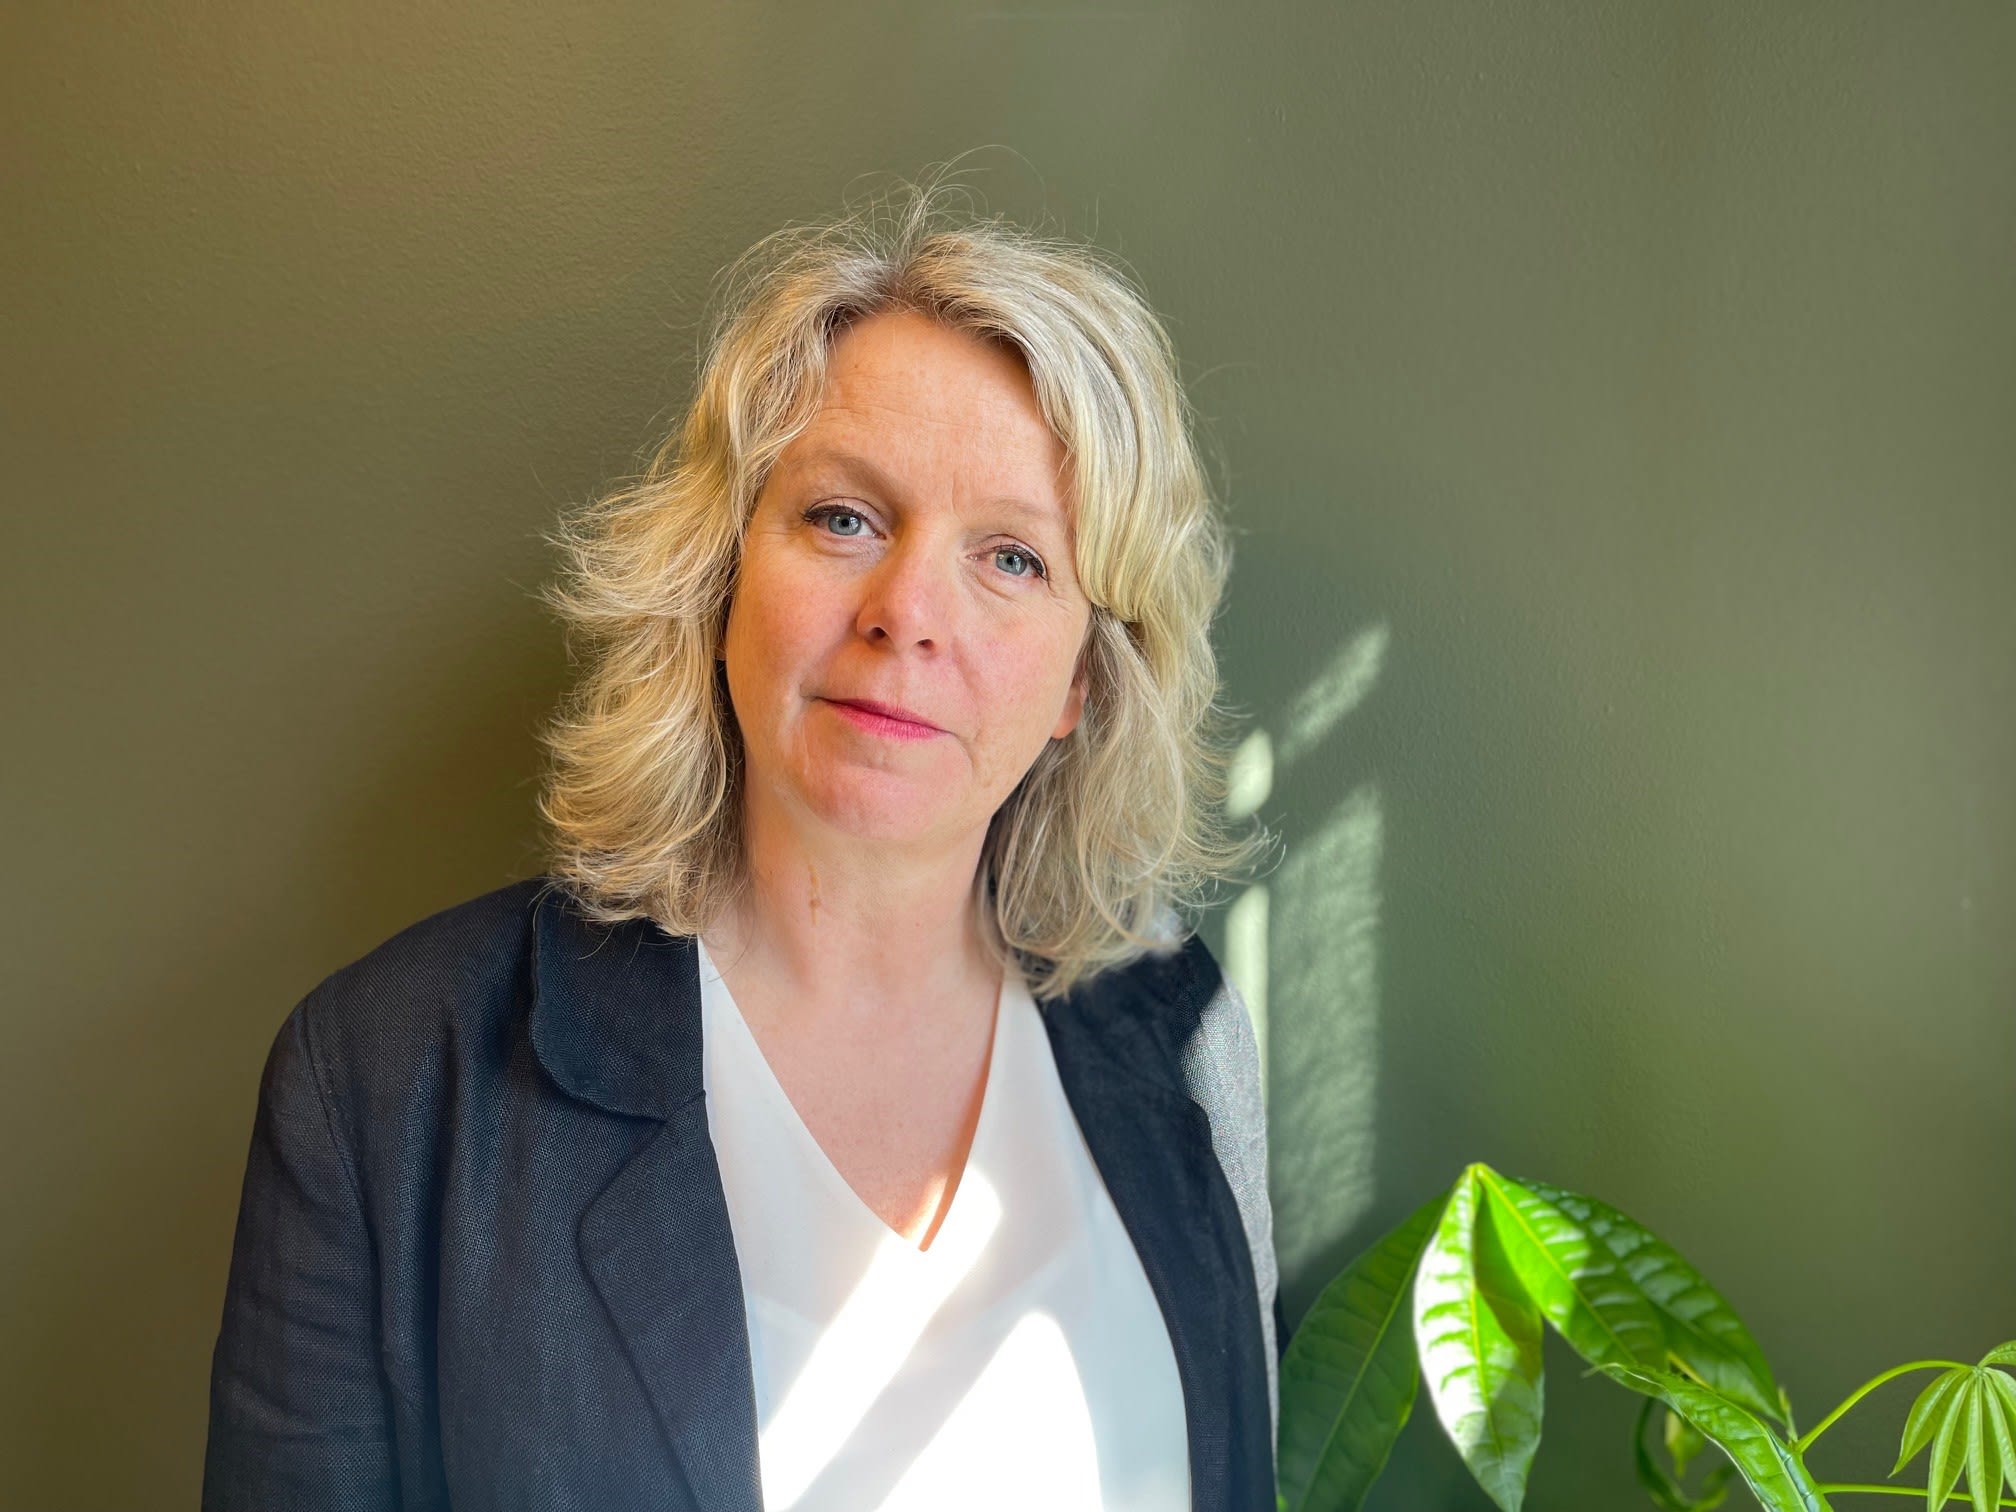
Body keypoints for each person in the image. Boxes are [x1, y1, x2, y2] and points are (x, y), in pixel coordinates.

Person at [203, 176, 1281, 1512]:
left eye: (1012, 558)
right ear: (721, 580)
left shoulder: (1183, 1036)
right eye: (844, 518)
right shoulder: (386, 1078)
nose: (907, 611)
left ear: (1082, 681)